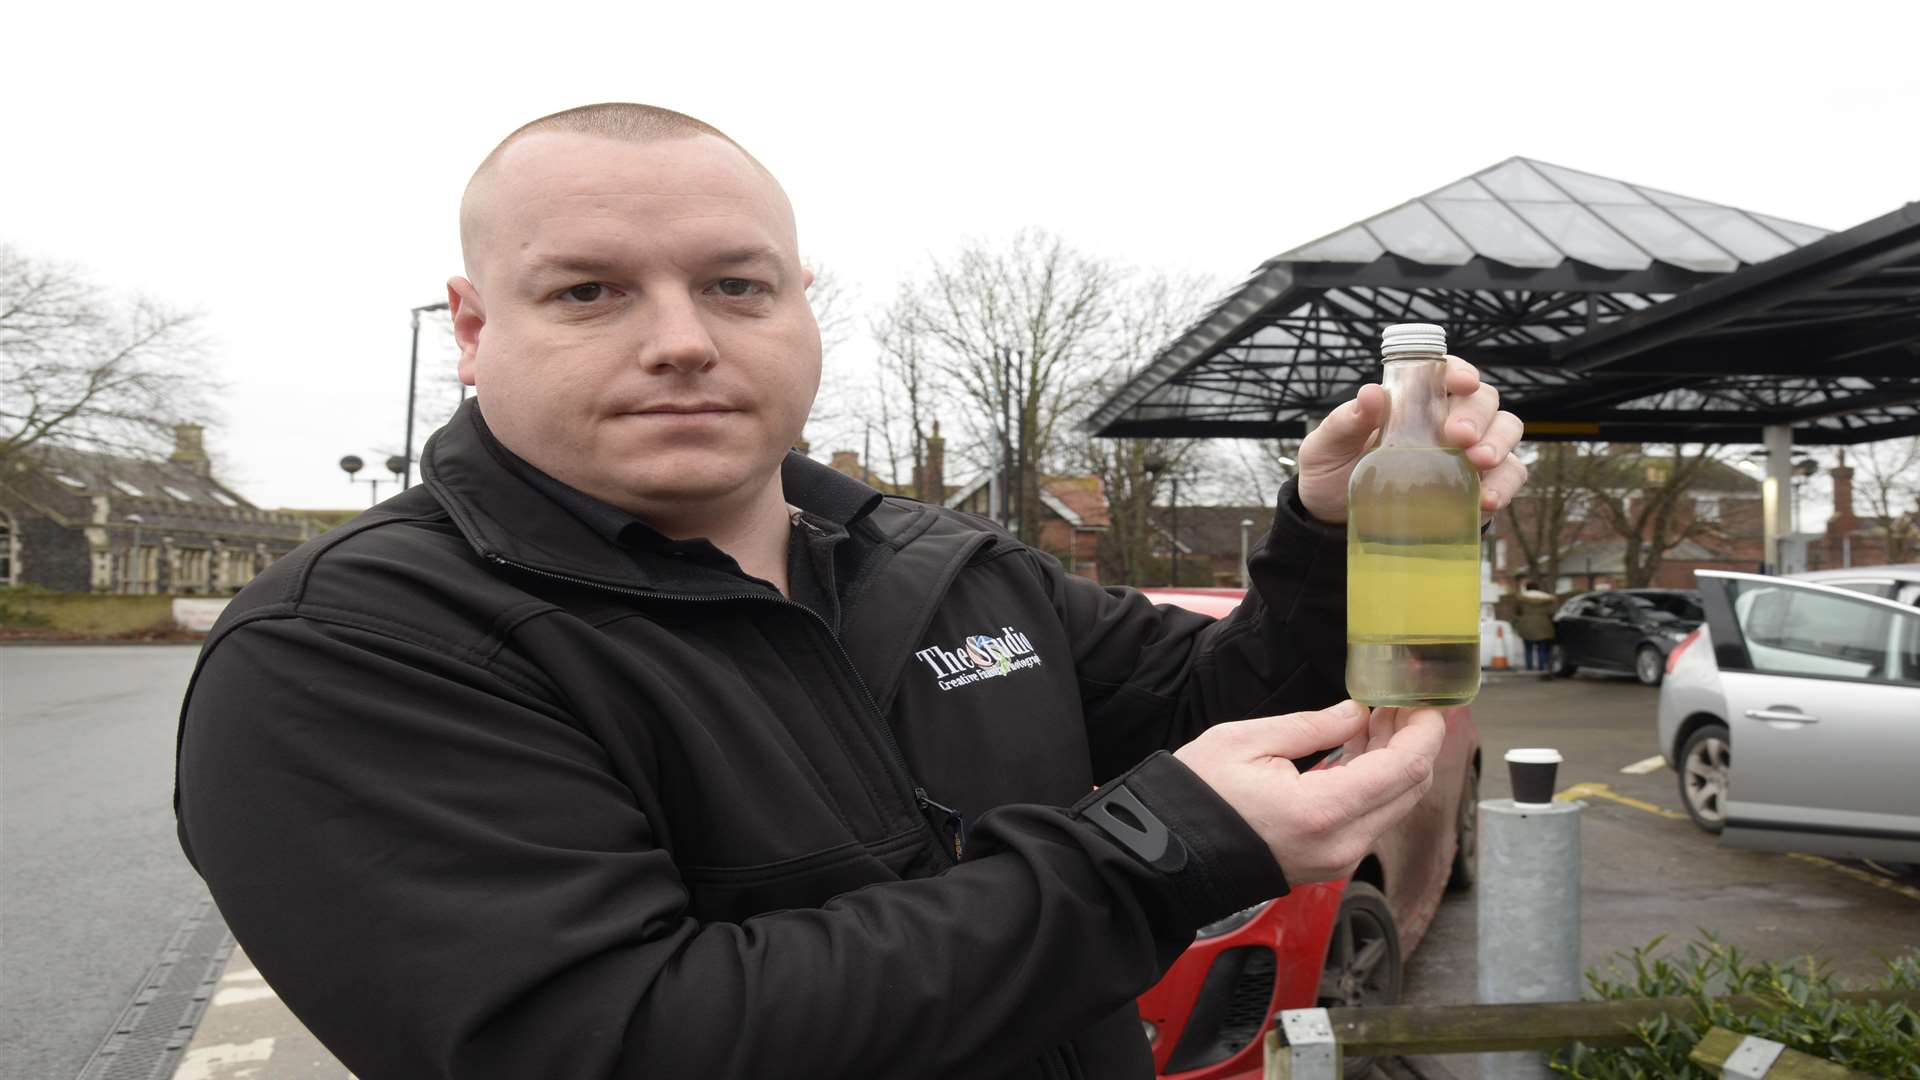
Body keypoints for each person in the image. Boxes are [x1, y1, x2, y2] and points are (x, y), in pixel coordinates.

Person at [174, 103, 1528, 1079]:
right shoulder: (356, 650)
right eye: (590, 291)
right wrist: (1154, 857)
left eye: (734, 284)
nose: (684, 340)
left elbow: (1223, 701)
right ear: (474, 329)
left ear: (801, 301)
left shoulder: (939, 563)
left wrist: (1330, 528)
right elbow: (610, 1038)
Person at [1513, 578, 1559, 673]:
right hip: (1543, 625)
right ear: (1538, 588)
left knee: (1528, 649)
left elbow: (1517, 611)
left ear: (1527, 588)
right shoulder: (1546, 599)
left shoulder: (1522, 599)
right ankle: (1541, 668)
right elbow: (1551, 612)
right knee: (1542, 649)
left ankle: (1529, 668)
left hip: (1526, 625)